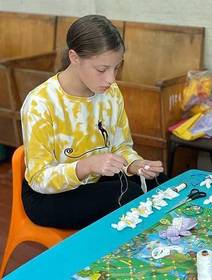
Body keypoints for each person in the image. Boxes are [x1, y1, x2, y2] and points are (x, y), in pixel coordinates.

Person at [20, 15, 164, 229]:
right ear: (74, 57)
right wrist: (86, 166)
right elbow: (39, 178)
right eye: (101, 69)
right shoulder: (40, 103)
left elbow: (121, 146)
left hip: (93, 181)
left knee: (158, 182)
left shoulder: (110, 93)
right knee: (130, 196)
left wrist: (134, 164)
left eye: (116, 68)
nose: (111, 79)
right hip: (47, 196)